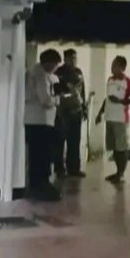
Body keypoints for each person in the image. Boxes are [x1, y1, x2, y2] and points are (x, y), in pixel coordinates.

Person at [24, 49, 63, 202]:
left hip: (39, 120)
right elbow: (45, 100)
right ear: (48, 62)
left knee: (39, 155)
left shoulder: (40, 74)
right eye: (55, 64)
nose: (55, 68)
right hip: (38, 121)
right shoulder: (39, 75)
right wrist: (57, 99)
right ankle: (40, 186)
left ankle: (40, 184)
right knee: (40, 155)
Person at [95, 56, 130, 184]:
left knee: (121, 147)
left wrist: (120, 101)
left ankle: (121, 174)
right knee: (114, 147)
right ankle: (117, 172)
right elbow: (107, 99)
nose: (112, 68)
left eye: (115, 66)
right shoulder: (110, 80)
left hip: (121, 119)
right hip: (109, 118)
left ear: (122, 67)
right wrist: (100, 113)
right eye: (112, 65)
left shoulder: (128, 82)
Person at [53, 49, 87, 178]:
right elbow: (55, 91)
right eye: (71, 58)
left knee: (75, 141)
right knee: (60, 141)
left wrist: (84, 108)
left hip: (76, 111)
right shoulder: (58, 73)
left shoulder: (78, 72)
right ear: (65, 59)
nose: (73, 61)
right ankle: (59, 169)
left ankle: (74, 168)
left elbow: (82, 91)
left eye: (75, 58)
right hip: (62, 111)